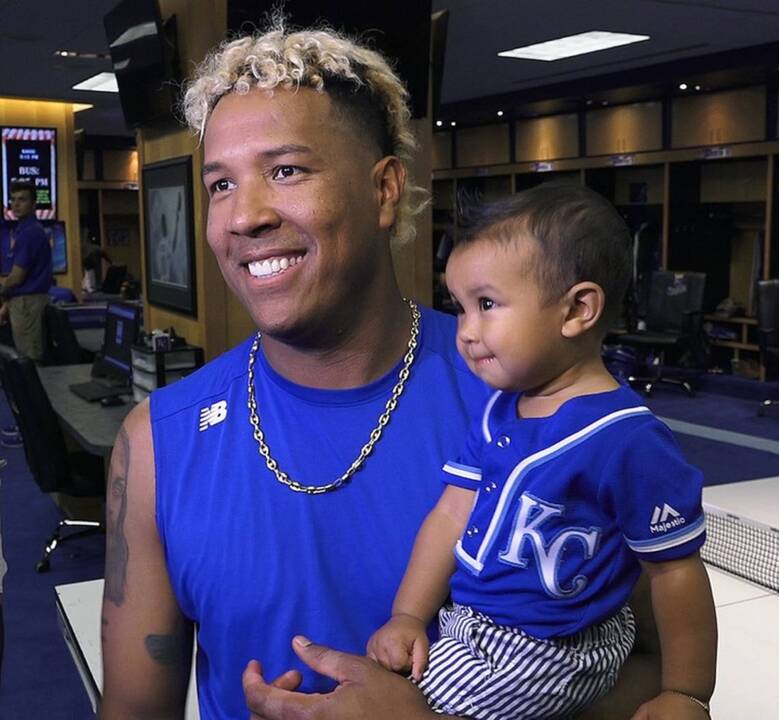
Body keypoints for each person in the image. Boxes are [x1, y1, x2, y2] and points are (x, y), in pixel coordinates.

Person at [101, 21, 667, 720]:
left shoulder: (544, 404)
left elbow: (651, 665)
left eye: (286, 170)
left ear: (385, 191)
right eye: (221, 183)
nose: (243, 216)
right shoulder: (157, 441)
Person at [366, 184, 717, 720]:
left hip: (550, 648)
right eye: (458, 308)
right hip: (474, 620)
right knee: (388, 677)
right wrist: (409, 614)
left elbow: (676, 571)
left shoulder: (627, 438)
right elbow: (449, 515)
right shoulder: (498, 410)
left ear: (578, 309)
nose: (465, 331)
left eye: (486, 304)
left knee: (401, 705)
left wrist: (687, 691)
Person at [0, 182, 52, 362]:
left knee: (29, 359)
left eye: (22, 200)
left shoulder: (30, 233)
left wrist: (2, 290)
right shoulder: (24, 231)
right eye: (13, 200)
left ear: (33, 204)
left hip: (28, 304)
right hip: (23, 302)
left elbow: (17, 277)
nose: (16, 204)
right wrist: (7, 303)